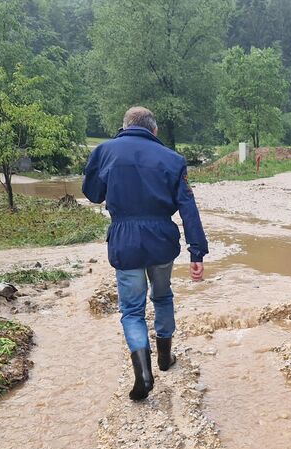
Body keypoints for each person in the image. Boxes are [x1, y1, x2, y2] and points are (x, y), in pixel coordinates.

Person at [82, 106, 208, 401]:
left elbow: (93, 194)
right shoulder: (173, 159)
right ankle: (165, 357)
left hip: (125, 241)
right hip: (161, 240)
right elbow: (188, 208)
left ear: (124, 127)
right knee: (162, 296)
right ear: (155, 130)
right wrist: (197, 252)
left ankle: (144, 373)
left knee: (132, 310)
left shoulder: (105, 151)